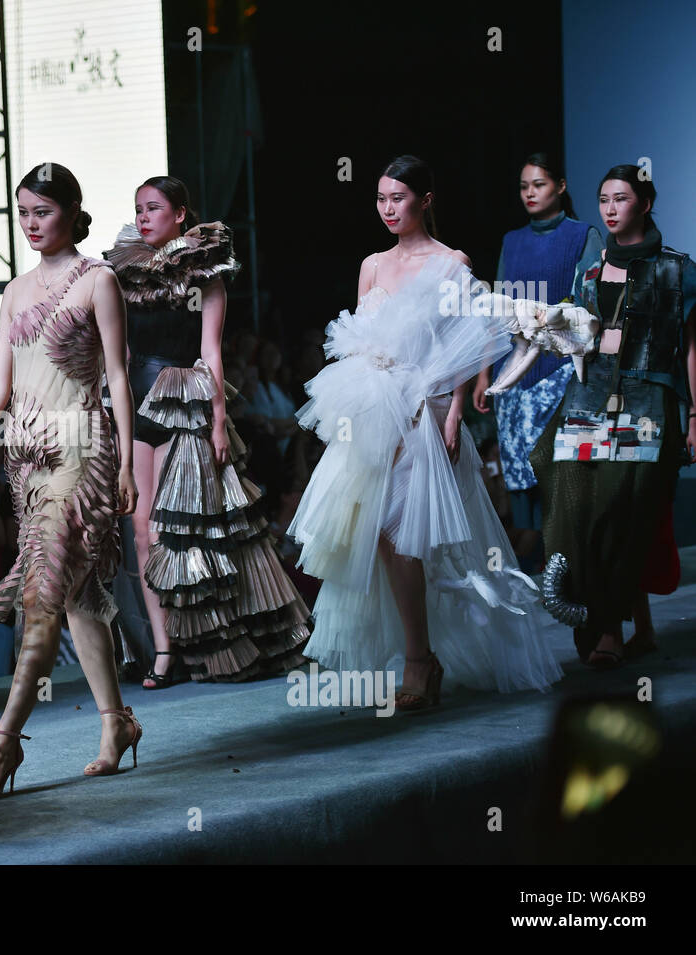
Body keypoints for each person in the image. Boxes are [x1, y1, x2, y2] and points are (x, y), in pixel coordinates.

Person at [288, 156, 562, 709]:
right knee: (376, 531)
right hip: (373, 404)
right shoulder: (372, 265)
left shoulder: (451, 263)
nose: (388, 209)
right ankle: (421, 655)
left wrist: (457, 409)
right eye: (381, 199)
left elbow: (470, 339)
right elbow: (358, 337)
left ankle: (420, 658)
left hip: (425, 406)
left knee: (406, 530)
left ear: (425, 200)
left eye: (399, 198)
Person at [0, 162, 140, 798]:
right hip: (25, 457)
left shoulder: (98, 280)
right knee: (76, 595)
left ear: (72, 213)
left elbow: (117, 376)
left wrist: (126, 462)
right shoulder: (14, 291)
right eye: (23, 212)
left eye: (44, 212)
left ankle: (3, 742)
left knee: (44, 596)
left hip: (82, 450)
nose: (31, 224)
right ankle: (116, 724)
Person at [103, 175, 310, 685]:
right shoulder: (125, 274)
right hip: (135, 405)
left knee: (184, 529)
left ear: (180, 214)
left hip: (183, 404)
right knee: (141, 530)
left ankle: (208, 641)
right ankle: (164, 650)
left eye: (154, 208)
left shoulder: (205, 272)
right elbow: (120, 356)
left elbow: (211, 354)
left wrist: (219, 423)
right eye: (138, 208)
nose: (143, 217)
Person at [531, 164, 696, 667]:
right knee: (568, 488)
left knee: (621, 509)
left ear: (645, 204)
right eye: (603, 199)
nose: (609, 208)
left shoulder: (678, 269)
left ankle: (607, 628)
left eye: (620, 198)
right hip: (589, 397)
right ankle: (610, 620)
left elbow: (691, 347)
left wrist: (695, 415)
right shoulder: (590, 272)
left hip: (647, 402)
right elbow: (579, 337)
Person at [474, 153, 604, 574]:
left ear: (561, 187)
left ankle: (567, 571)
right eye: (524, 186)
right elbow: (498, 314)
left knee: (563, 473)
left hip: (564, 369)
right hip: (514, 372)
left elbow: (590, 308)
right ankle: (543, 575)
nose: (530, 193)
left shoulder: (583, 235)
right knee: (523, 477)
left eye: (539, 184)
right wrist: (484, 374)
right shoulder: (512, 240)